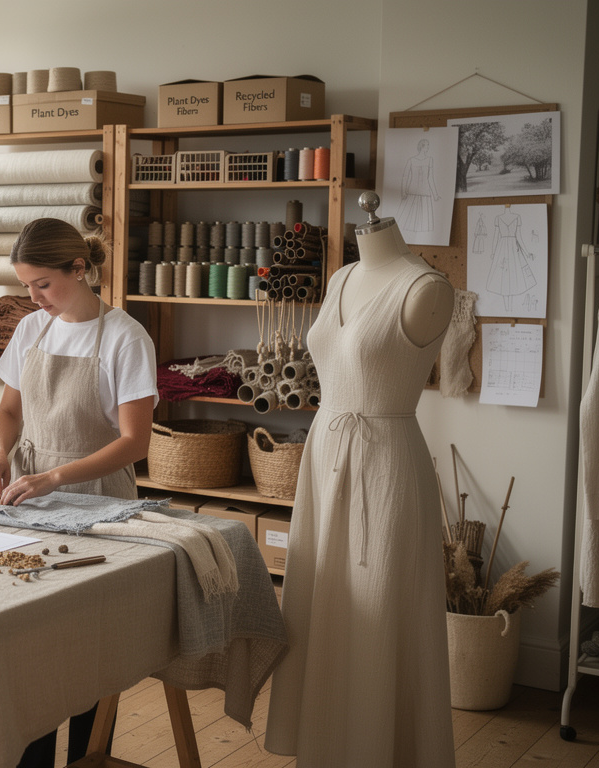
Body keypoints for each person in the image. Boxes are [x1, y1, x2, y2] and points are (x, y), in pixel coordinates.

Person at [264, 195, 455, 767]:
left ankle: (380, 748)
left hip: (385, 464)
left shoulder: (426, 289)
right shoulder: (343, 276)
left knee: (379, 606)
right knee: (321, 600)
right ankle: (325, 745)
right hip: (324, 456)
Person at [0, 217, 157, 766]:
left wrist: (55, 476)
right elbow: (8, 411)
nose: (33, 298)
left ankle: (87, 756)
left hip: (100, 499)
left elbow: (135, 442)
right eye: (26, 285)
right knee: (32, 643)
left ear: (79, 269)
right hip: (30, 492)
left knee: (88, 646)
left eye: (43, 285)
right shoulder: (33, 329)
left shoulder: (126, 336)